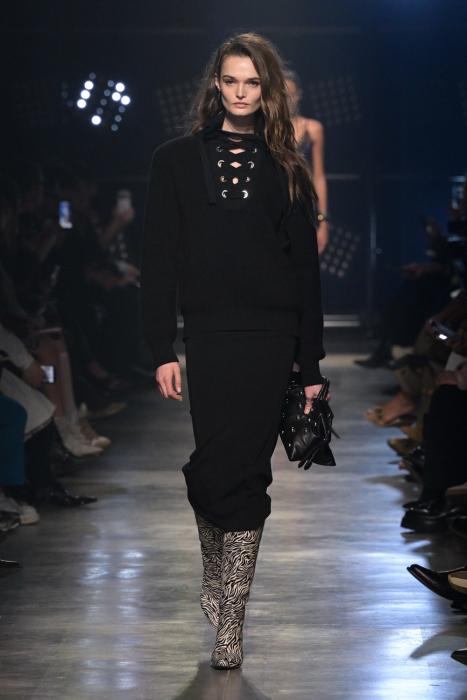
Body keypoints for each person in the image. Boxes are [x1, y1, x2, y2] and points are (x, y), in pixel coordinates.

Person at [141, 32, 328, 670]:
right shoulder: (174, 161)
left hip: (271, 338)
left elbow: (305, 272)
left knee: (249, 470)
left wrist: (311, 363)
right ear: (215, 85)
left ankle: (231, 618)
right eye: (231, 81)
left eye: (253, 82)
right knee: (210, 466)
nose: (241, 93)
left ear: (266, 88)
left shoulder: (287, 166)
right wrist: (160, 347)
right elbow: (158, 259)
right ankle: (215, 575)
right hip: (208, 336)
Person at [284, 69, 329, 255]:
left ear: (299, 95)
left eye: (290, 94)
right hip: (271, 205)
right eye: (281, 94)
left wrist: (323, 221)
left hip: (301, 204)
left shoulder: (313, 128)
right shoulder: (265, 129)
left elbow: (318, 176)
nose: (286, 100)